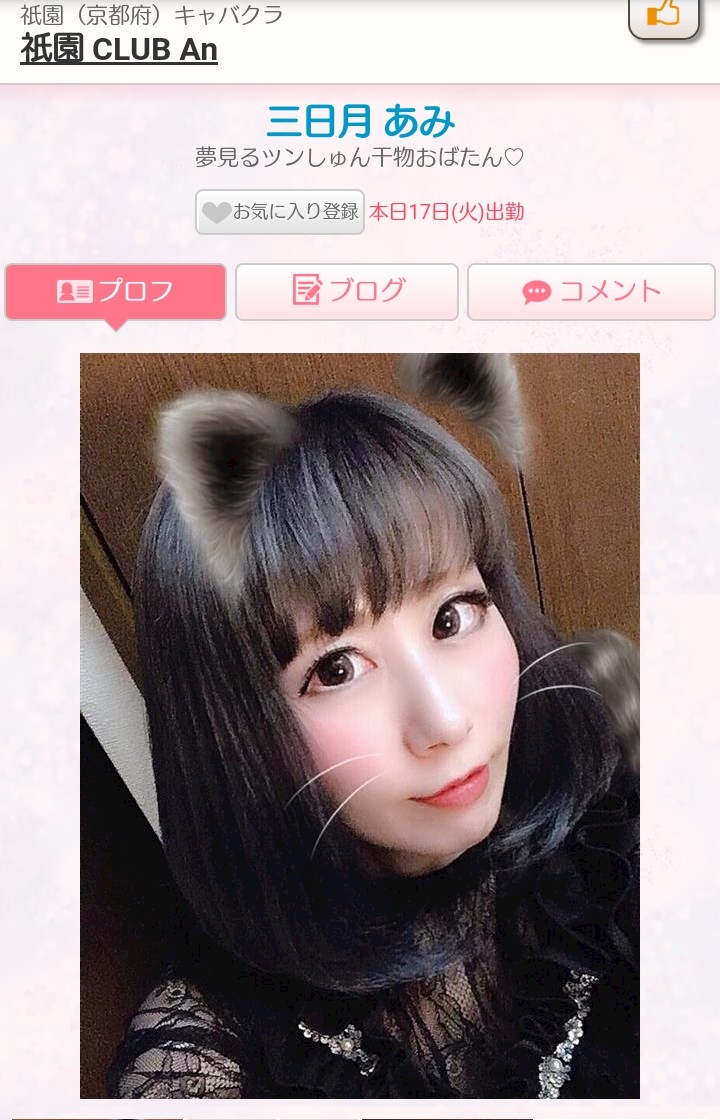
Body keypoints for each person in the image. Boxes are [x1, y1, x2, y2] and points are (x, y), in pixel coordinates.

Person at [107, 355, 639, 1099]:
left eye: (452, 617)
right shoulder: (210, 1055)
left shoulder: (618, 837)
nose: (446, 720)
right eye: (336, 669)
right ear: (231, 736)